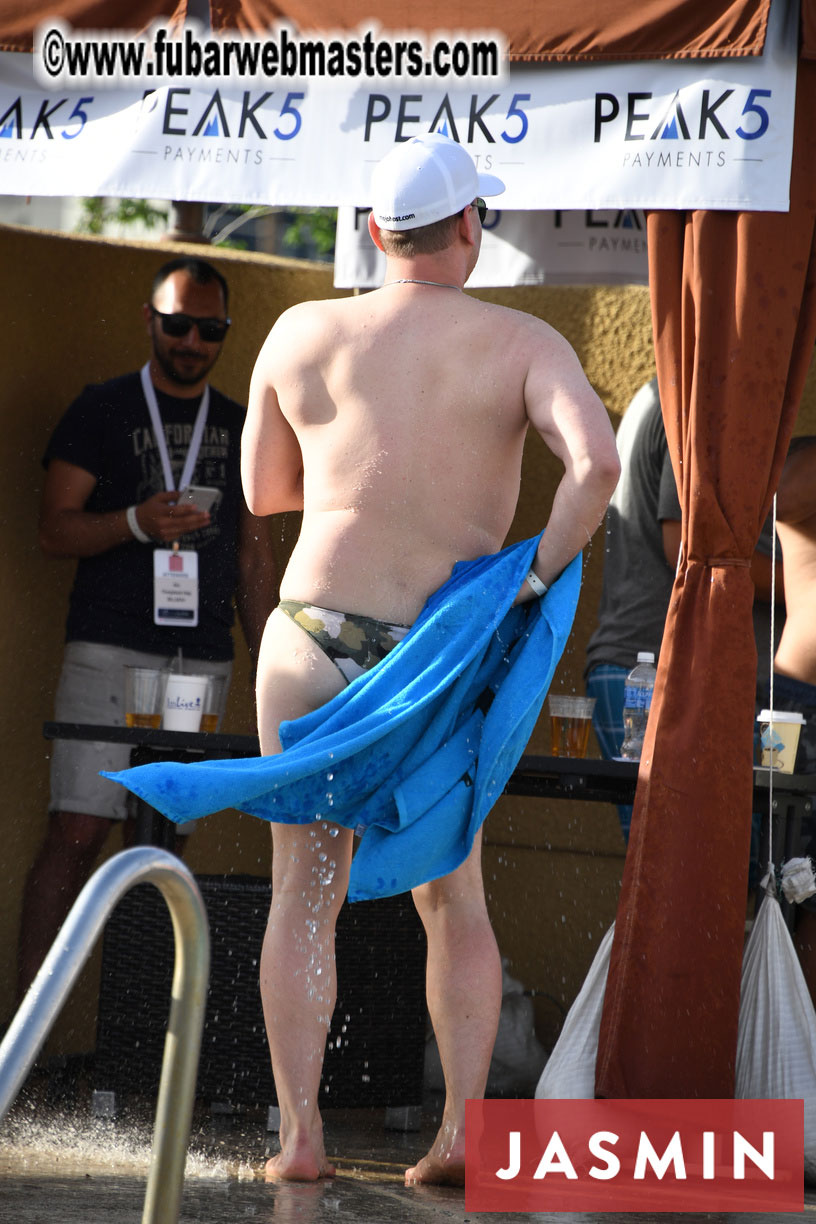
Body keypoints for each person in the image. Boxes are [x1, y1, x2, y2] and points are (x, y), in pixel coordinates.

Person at [241, 134, 620, 1185]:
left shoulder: (300, 330)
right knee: (454, 898)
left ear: (374, 232)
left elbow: (266, 491)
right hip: (435, 655)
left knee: (302, 892)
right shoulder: (521, 342)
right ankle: (458, 1137)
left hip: (312, 635)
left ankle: (301, 1139)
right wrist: (533, 575)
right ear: (470, 227)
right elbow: (597, 467)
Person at [17, 257, 279, 999]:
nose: (192, 341)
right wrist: (135, 522)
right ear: (149, 320)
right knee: (78, 831)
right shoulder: (102, 409)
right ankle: (25, 1040)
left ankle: (134, 1044)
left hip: (199, 657)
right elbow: (53, 530)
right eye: (178, 324)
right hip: (108, 645)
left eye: (209, 329)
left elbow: (255, 558)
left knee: (160, 843)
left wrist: (273, 669)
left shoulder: (238, 425)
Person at [585, 378, 781, 841]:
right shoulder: (699, 399)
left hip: (649, 668)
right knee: (680, 862)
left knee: (665, 862)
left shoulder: (672, 389)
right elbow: (689, 547)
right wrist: (798, 585)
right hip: (661, 674)